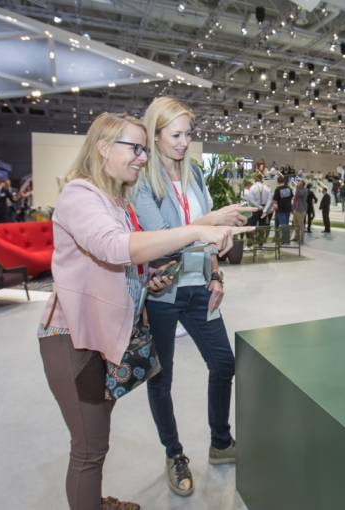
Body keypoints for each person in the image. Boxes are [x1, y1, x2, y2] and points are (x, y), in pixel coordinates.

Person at [38, 111, 252, 510]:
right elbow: (114, 247)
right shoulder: (80, 194)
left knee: (95, 442)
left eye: (144, 148)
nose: (142, 156)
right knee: (89, 449)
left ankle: (93, 501)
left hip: (104, 334)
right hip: (74, 337)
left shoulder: (114, 198)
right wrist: (199, 228)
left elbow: (124, 260)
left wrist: (146, 276)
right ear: (103, 148)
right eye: (135, 148)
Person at [133, 96, 255, 498]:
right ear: (155, 135)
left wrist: (216, 274)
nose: (185, 142)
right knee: (161, 378)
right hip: (162, 294)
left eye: (188, 134)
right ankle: (174, 454)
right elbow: (161, 240)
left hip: (200, 286)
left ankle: (220, 442)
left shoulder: (196, 175)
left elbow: (207, 241)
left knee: (224, 364)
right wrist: (212, 220)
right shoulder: (143, 182)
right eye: (176, 135)